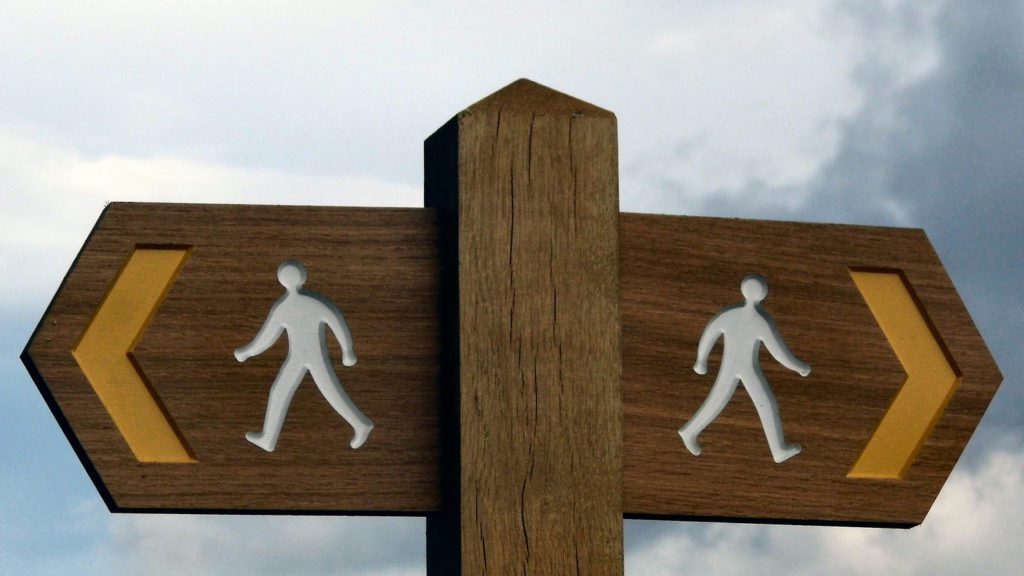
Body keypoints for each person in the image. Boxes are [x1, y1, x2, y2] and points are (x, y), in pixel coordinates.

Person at [235, 259, 373, 452]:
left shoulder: (290, 307)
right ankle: (267, 438)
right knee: (281, 391)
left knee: (331, 393)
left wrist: (247, 352)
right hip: (298, 358)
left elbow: (266, 338)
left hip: (314, 357)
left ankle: (360, 425)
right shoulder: (302, 305)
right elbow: (337, 324)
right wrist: (346, 350)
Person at [679, 274, 810, 463]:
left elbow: (709, 335)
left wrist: (702, 360)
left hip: (746, 369)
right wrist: (798, 367)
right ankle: (689, 432)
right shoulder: (758, 321)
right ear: (761, 295)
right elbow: (778, 352)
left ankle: (778, 450)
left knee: (763, 403)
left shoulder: (731, 316)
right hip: (734, 367)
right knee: (719, 402)